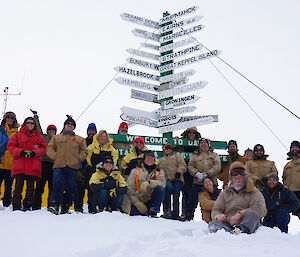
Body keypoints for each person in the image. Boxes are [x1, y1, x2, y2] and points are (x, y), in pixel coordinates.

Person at [209, 161, 267, 234]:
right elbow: (216, 209)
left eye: (240, 178)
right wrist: (218, 216)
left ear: (245, 178)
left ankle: (241, 231)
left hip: (247, 224)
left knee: (253, 214)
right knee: (213, 223)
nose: (237, 181)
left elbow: (260, 209)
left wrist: (240, 214)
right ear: (231, 180)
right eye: (235, 178)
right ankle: (224, 234)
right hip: (228, 224)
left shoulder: (254, 192)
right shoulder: (225, 193)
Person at [46, 115, 88, 214]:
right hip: (59, 166)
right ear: (64, 126)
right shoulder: (56, 138)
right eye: (67, 124)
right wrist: (56, 157)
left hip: (73, 167)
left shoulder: (80, 139)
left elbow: (84, 151)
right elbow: (49, 149)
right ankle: (54, 205)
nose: (69, 125)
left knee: (71, 187)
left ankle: (66, 206)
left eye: (72, 124)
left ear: (74, 127)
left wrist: (78, 159)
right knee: (57, 184)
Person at [7, 117, 46, 211]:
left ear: (34, 124)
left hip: (33, 166)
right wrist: (20, 152)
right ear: (25, 124)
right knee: (17, 188)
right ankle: (16, 206)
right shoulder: (17, 135)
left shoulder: (39, 137)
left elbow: (44, 148)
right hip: (20, 165)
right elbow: (10, 146)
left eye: (32, 123)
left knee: (30, 189)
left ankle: (27, 206)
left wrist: (34, 153)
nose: (30, 124)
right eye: (28, 123)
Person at [75, 130, 118, 213]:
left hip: (106, 171)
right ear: (98, 137)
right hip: (93, 171)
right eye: (101, 136)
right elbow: (87, 157)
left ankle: (105, 206)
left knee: (106, 188)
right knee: (91, 188)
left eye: (105, 136)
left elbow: (115, 158)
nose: (103, 138)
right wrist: (90, 166)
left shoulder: (111, 149)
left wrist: (110, 168)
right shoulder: (92, 147)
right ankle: (91, 206)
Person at [186, 138, 221, 220]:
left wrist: (207, 174)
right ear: (199, 145)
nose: (203, 144)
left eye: (205, 143)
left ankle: (215, 217)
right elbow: (190, 166)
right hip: (197, 182)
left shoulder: (214, 155)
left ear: (208, 145)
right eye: (201, 143)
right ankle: (189, 216)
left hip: (211, 183)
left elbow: (217, 166)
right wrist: (196, 173)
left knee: (214, 200)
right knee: (192, 200)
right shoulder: (195, 156)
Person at [30, 110, 57, 210]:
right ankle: (36, 206)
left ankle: (50, 206)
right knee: (39, 186)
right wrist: (36, 116)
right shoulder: (43, 137)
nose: (51, 131)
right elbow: (38, 128)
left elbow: (64, 131)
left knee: (52, 187)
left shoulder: (58, 139)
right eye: (49, 130)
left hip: (54, 165)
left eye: (53, 130)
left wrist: (68, 120)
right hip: (43, 164)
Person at [127, 150, 166, 217]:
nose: (150, 159)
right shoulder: (135, 171)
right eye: (148, 157)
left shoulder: (159, 171)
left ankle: (154, 211)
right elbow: (129, 188)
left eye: (152, 158)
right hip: (138, 200)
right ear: (144, 159)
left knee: (160, 189)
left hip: (151, 200)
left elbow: (162, 183)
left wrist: (149, 183)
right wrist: (136, 203)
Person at [174, 127, 201, 220]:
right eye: (189, 132)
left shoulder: (200, 143)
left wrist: (208, 143)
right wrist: (175, 141)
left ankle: (191, 213)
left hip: (195, 172)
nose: (191, 134)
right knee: (185, 192)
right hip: (184, 171)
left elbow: (208, 149)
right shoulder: (181, 142)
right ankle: (184, 213)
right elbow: (172, 150)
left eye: (193, 133)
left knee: (193, 193)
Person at [159, 143, 187, 220]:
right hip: (167, 179)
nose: (168, 150)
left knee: (176, 194)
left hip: (177, 178)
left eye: (169, 148)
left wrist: (179, 172)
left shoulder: (177, 156)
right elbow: (159, 170)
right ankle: (166, 211)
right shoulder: (161, 159)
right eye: (166, 149)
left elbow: (182, 165)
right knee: (167, 189)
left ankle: (175, 213)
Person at [0, 112, 19, 207]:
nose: (10, 119)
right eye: (8, 117)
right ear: (5, 119)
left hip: (11, 165)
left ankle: (7, 205)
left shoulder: (17, 133)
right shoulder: (0, 130)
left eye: (12, 118)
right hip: (0, 163)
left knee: (8, 187)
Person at [283, 140, 300, 219]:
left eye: (296, 147)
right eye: (293, 147)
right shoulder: (287, 165)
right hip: (290, 192)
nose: (294, 149)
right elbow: (284, 178)